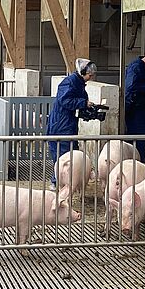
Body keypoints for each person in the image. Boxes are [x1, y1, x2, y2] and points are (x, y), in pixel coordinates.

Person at [46, 58, 97, 190]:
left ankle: (62, 181)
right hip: (61, 125)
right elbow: (65, 101)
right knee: (63, 155)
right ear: (83, 72)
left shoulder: (78, 83)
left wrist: (87, 109)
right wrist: (83, 103)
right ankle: (57, 181)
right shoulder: (69, 83)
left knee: (70, 153)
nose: (90, 78)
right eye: (89, 75)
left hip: (68, 123)